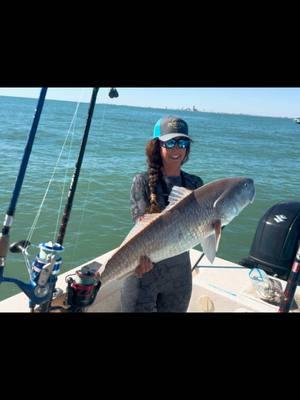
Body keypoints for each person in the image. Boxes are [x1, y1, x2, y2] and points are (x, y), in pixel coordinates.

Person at [120, 116, 204, 312]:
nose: (177, 149)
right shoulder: (141, 181)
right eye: (171, 142)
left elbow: (206, 226)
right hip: (142, 274)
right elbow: (141, 231)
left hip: (179, 277)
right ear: (157, 146)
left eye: (183, 142)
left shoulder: (195, 184)